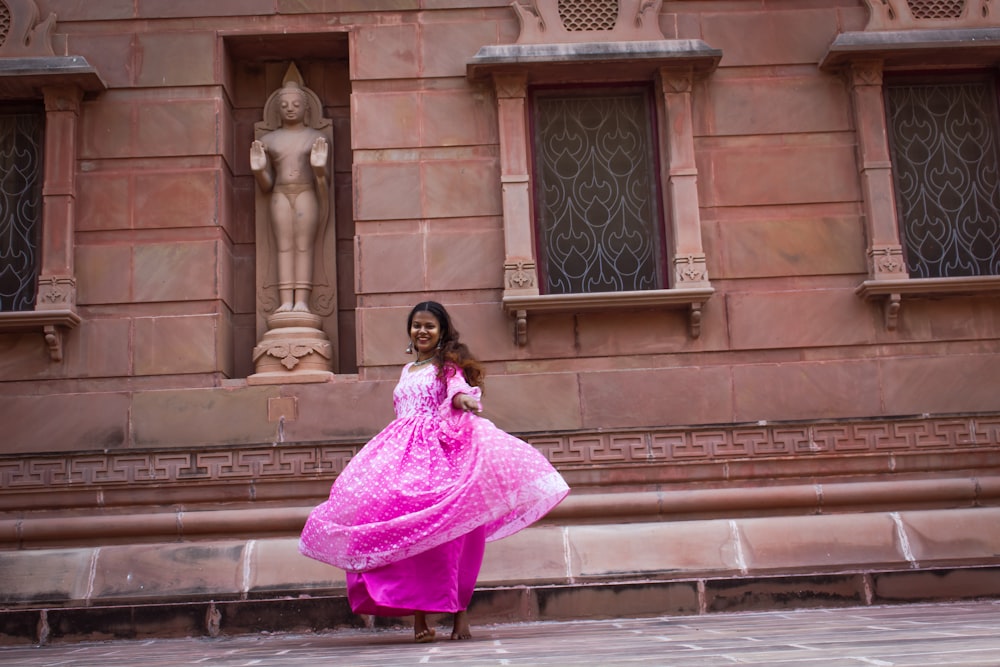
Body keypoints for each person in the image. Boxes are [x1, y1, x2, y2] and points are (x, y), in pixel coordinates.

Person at [299, 301, 570, 642]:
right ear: (409, 331)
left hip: (438, 451)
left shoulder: (447, 366)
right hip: (400, 452)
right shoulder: (406, 369)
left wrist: (465, 400)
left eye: (429, 326)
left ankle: (459, 615)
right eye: (416, 325)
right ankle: (419, 619)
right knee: (407, 532)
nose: (422, 331)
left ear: (441, 331)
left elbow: (456, 391)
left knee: (451, 535)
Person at [250, 80, 329, 314]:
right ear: (277, 109)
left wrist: (319, 168)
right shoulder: (268, 141)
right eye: (284, 104)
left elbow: (324, 184)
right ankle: (286, 301)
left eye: (296, 104)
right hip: (279, 193)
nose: (290, 108)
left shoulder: (316, 138)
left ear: (306, 108)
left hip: (305, 190)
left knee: (303, 247)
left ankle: (302, 301)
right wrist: (258, 171)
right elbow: (267, 185)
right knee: (284, 247)